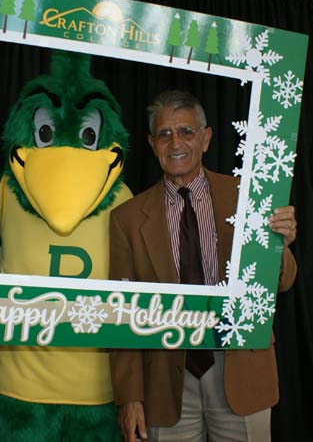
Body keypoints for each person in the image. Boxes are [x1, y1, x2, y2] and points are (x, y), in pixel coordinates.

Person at [109, 90, 298, 442]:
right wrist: (129, 396)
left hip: (240, 367)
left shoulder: (249, 197)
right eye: (164, 134)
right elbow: (123, 313)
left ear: (206, 138)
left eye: (186, 131)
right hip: (166, 381)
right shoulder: (127, 219)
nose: (175, 142)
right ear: (152, 143)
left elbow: (283, 281)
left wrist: (280, 247)